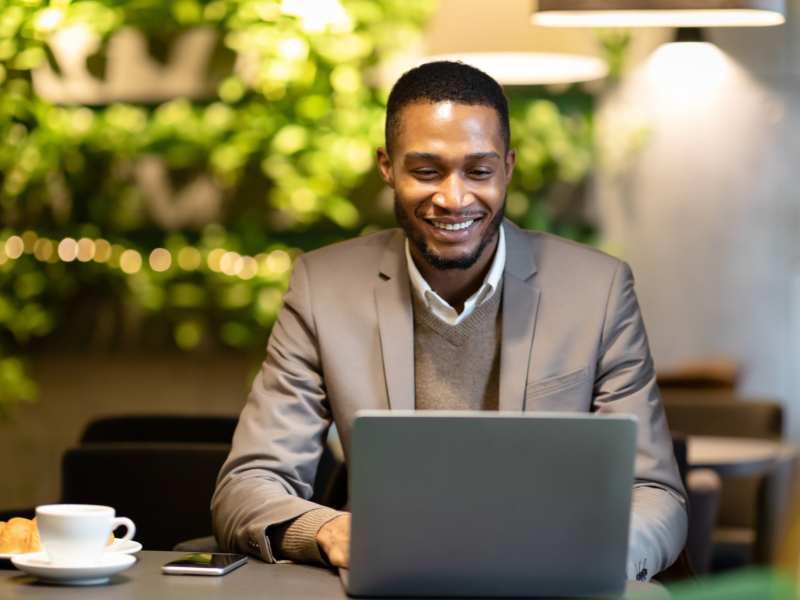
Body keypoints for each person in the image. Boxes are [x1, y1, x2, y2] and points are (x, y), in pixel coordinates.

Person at [212, 60, 688, 581]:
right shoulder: (321, 289)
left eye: (478, 171)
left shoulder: (598, 290)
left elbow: (657, 493)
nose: (454, 198)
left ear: (507, 168)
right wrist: (330, 532)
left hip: (549, 583)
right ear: (387, 167)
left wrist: (592, 558)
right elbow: (248, 485)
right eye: (427, 171)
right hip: (388, 579)